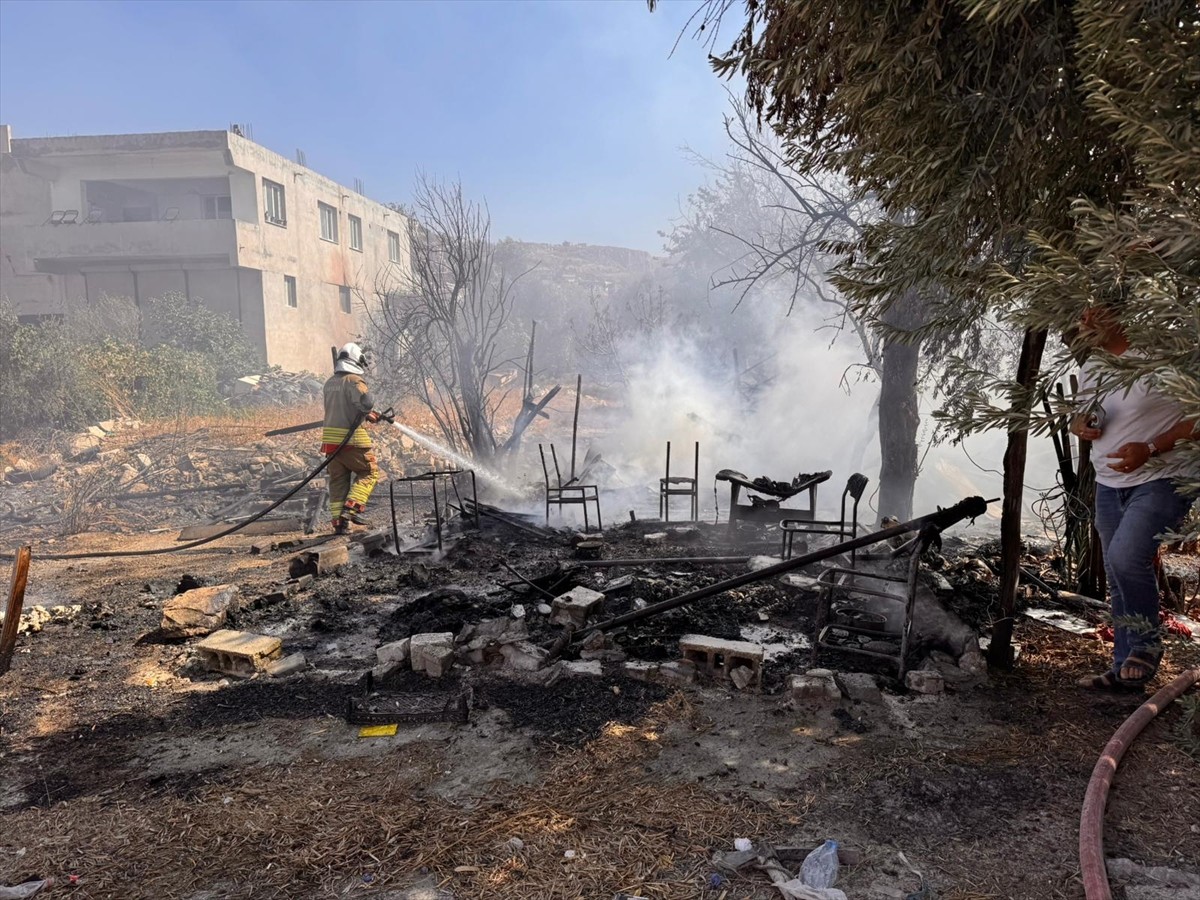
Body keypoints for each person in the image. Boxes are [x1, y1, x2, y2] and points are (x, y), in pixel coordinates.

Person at [1070, 304, 1197, 690]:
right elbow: (1085, 414)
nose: (1084, 323)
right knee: (1116, 568)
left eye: (1092, 314)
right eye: (1081, 316)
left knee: (1127, 557)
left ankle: (1145, 646)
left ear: (1118, 314)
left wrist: (1152, 448)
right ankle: (1124, 664)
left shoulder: (1161, 358)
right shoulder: (1093, 366)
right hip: (1109, 483)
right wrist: (1081, 425)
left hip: (1163, 475)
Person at [322, 342, 385, 534]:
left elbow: (347, 407)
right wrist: (370, 411)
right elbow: (364, 402)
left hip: (331, 443)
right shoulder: (354, 381)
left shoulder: (329, 383)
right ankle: (351, 508)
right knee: (370, 472)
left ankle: (339, 524)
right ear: (357, 361)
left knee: (338, 481)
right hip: (352, 440)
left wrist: (367, 413)